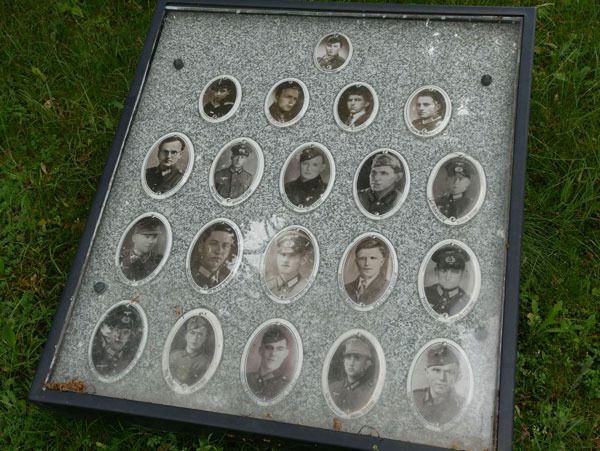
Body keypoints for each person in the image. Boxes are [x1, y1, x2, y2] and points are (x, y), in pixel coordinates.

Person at [413, 343, 464, 425]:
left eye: (449, 372)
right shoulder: (414, 398)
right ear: (427, 373)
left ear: (457, 376)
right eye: (436, 370)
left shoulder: (462, 405)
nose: (442, 378)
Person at [329, 336, 375, 414]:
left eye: (357, 358)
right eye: (348, 357)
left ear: (366, 364)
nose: (351, 363)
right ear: (343, 361)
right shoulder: (333, 387)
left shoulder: (370, 393)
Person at [246, 325, 291, 400]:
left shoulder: (285, 386)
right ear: (260, 350)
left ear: (286, 353)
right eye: (269, 348)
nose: (273, 353)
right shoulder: (248, 379)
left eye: (280, 349)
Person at [92, 306, 140, 377]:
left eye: (125, 333)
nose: (119, 336)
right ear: (110, 332)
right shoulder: (97, 355)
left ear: (128, 339)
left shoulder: (129, 360)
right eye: (117, 330)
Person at [424, 246, 470, 316]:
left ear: (463, 274)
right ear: (436, 271)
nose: (448, 277)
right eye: (443, 270)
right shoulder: (425, 294)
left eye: (455, 271)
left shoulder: (467, 302)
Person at [344, 237, 389, 305]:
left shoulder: (386, 287)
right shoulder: (347, 288)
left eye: (373, 258)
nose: (367, 263)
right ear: (356, 261)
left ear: (382, 261)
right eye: (362, 258)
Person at [266, 232, 311, 299]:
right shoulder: (267, 285)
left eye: (292, 256)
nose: (285, 260)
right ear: (277, 256)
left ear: (302, 260)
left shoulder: (306, 287)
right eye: (283, 254)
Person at [169, 316, 212, 386]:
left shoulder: (205, 363)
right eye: (192, 333)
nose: (195, 338)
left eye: (200, 335)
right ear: (186, 335)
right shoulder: (174, 356)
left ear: (204, 339)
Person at [193, 222, 236, 289]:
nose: (219, 251)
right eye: (214, 244)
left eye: (225, 246)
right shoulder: (192, 273)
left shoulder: (229, 278)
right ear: (201, 247)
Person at [120, 216, 164, 281]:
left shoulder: (158, 262)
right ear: (134, 238)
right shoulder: (120, 257)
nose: (150, 241)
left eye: (154, 237)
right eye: (147, 237)